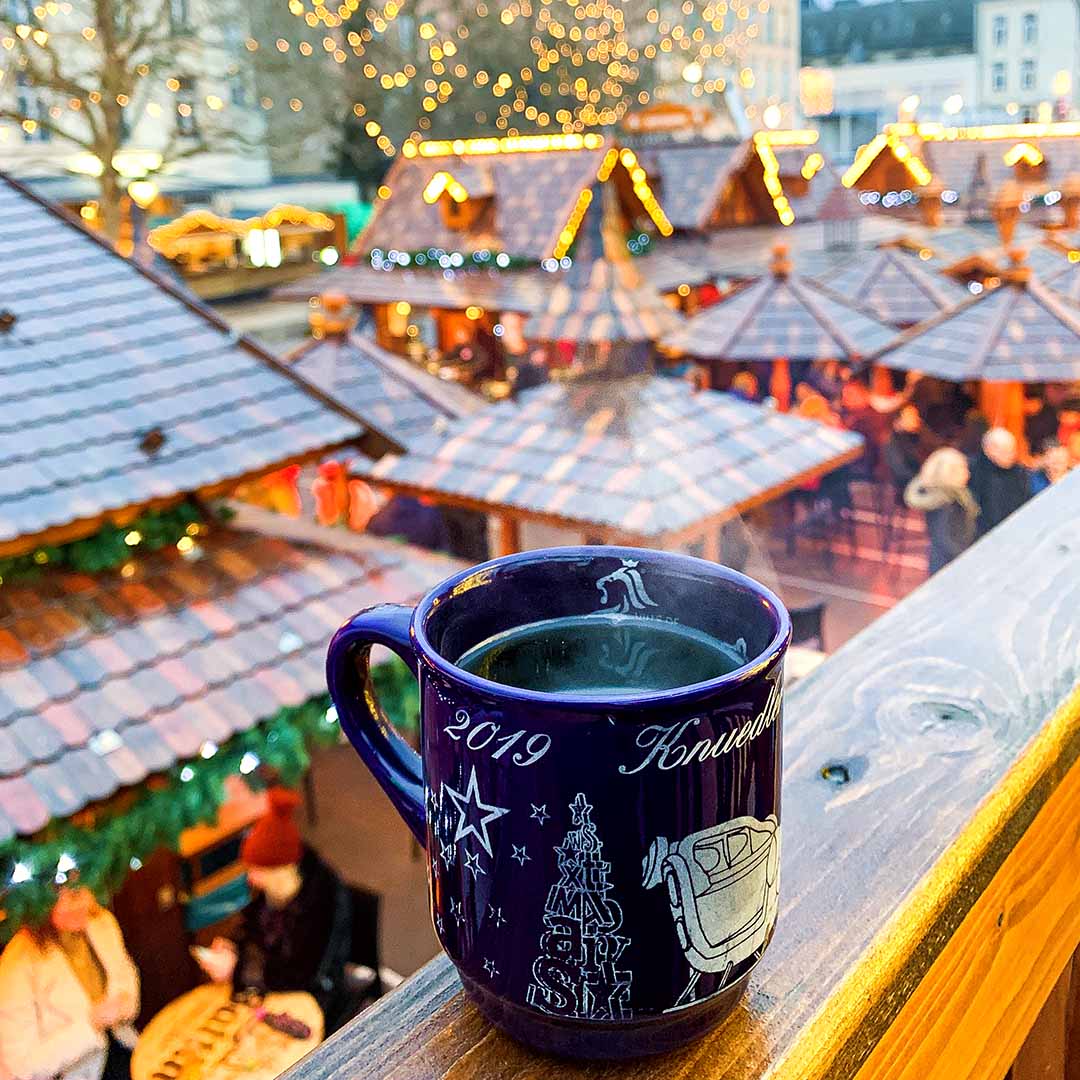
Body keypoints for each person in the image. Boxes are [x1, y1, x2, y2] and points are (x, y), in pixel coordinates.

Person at [195, 788, 356, 1033]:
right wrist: (234, 946)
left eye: (257, 871)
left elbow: (304, 973)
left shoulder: (322, 901)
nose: (251, 879)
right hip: (277, 987)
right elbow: (252, 926)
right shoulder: (275, 891)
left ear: (280, 869)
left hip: (317, 997)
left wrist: (238, 970)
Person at [0, 885, 139, 1080]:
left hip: (123, 1046)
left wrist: (125, 1002)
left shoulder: (100, 920)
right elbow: (23, 1065)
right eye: (71, 896)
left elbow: (125, 973)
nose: (85, 902)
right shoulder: (15, 967)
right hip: (76, 1073)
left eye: (85, 888)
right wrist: (91, 1024)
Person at [904, 448, 979, 574]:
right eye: (963, 469)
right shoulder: (944, 505)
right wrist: (970, 559)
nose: (968, 473)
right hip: (948, 566)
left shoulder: (956, 495)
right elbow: (945, 541)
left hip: (953, 560)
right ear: (949, 474)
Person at [967, 428, 1031, 537]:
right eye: (1005, 450)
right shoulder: (973, 471)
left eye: (1013, 450)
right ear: (988, 450)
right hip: (984, 536)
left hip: (1015, 532)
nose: (1011, 454)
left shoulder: (1019, 472)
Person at [883, 405, 927, 499]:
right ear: (899, 421)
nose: (918, 420)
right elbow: (902, 472)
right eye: (912, 417)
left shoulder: (913, 435)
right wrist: (927, 479)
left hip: (921, 478)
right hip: (910, 487)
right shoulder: (892, 442)